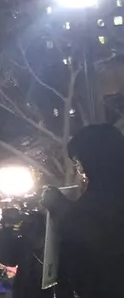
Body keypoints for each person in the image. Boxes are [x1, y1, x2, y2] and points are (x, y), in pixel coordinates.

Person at [41, 123, 124, 298]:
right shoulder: (100, 193)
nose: (80, 171)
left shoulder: (112, 195)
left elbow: (103, 242)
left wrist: (63, 209)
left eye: (79, 162)